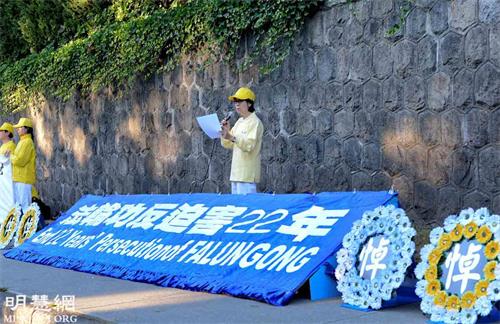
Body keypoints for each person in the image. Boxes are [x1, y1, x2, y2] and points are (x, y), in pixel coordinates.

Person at [221, 87, 264, 194]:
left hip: (247, 175)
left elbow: (249, 146)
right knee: (237, 207)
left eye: (240, 101)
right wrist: (225, 132)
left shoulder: (255, 122)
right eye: (235, 102)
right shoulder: (240, 122)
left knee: (247, 207)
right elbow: (228, 144)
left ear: (249, 103)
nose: (237, 104)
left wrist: (231, 137)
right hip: (236, 174)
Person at [5, 118, 37, 213]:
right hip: (19, 178)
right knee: (19, 206)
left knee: (25, 206)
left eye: (19, 127)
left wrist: (10, 156)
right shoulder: (22, 142)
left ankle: (31, 227)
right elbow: (18, 157)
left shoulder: (27, 142)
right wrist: (12, 154)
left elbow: (20, 161)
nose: (17, 129)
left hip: (24, 179)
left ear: (26, 129)